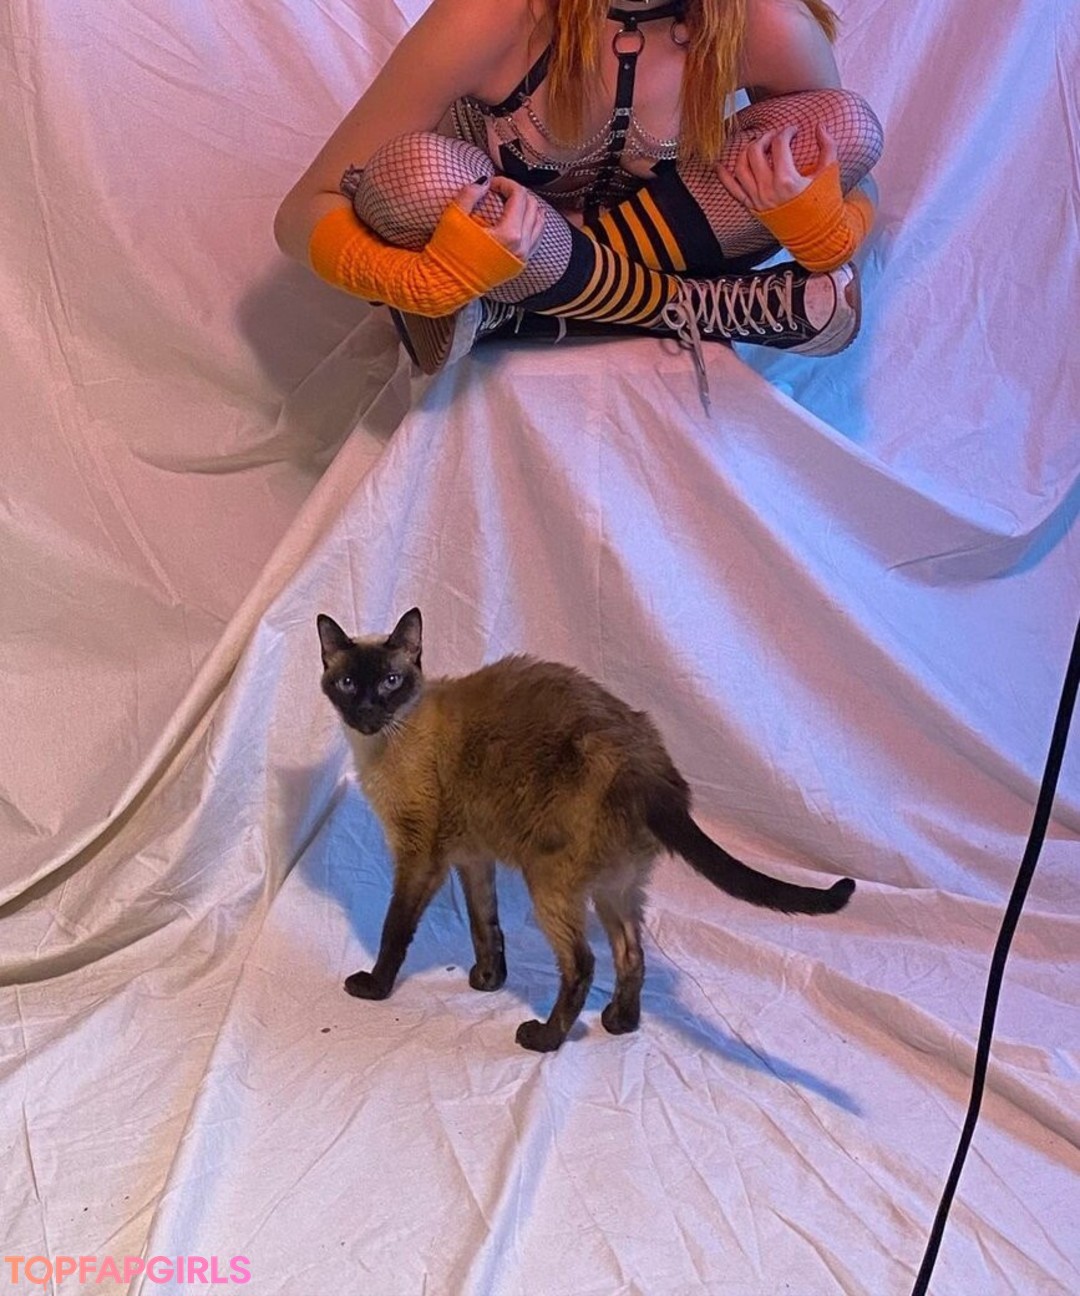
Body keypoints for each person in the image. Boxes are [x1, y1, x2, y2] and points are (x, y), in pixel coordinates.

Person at [274, 0, 883, 399]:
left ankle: (517, 315)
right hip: (508, 246)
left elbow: (849, 168)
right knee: (411, 175)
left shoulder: (765, 21)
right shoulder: (493, 15)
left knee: (848, 125)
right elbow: (302, 214)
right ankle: (705, 306)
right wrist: (410, 280)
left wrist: (822, 227)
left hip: (553, 269)